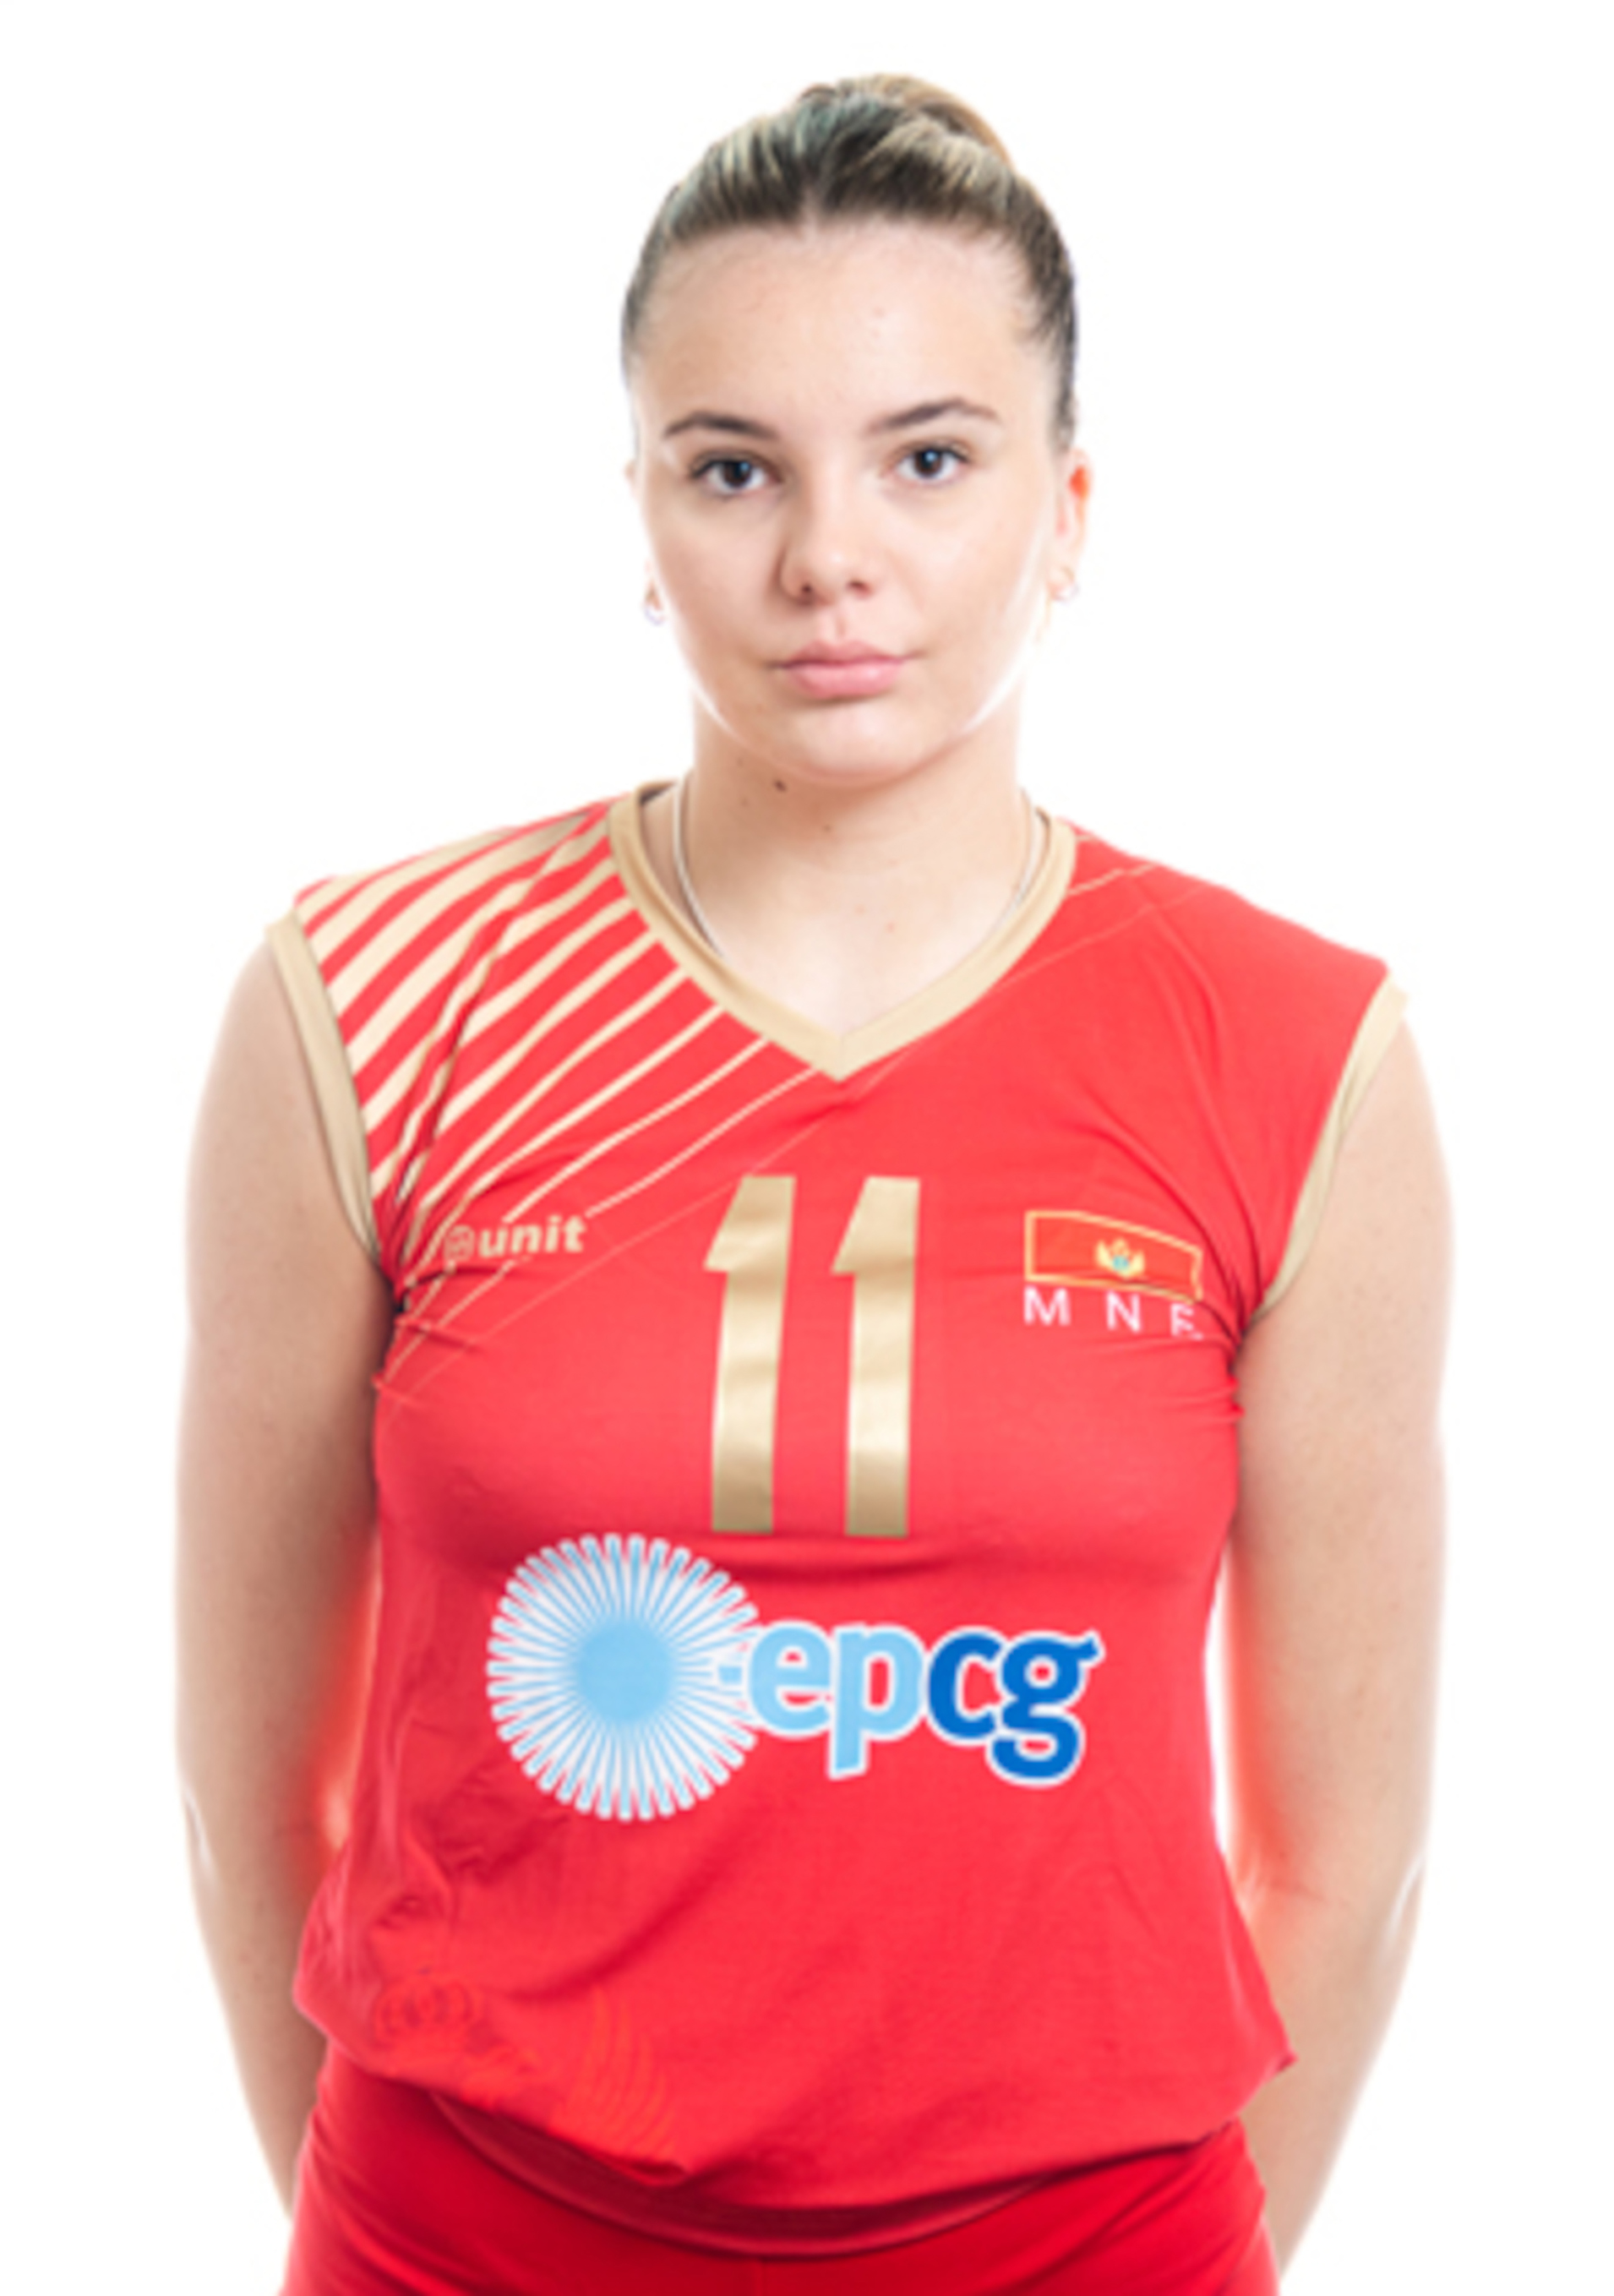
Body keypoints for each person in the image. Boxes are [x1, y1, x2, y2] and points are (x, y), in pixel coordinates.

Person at [177, 75, 1448, 2296]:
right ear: (640, 509)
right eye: (734, 466)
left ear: (1069, 509)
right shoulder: (368, 1005)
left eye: (929, 460)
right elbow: (250, 1795)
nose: (827, 559)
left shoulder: (1297, 1052)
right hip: (464, 2242)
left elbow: (1342, 1865)